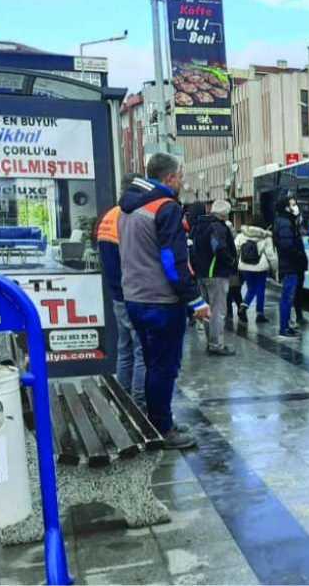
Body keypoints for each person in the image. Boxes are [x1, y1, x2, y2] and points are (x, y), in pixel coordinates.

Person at [119, 153, 208, 449]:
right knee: (164, 367)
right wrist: (195, 301)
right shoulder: (166, 207)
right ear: (170, 177)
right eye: (181, 176)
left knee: (152, 362)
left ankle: (157, 418)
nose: (182, 182)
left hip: (135, 298)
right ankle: (162, 428)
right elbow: (172, 261)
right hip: (161, 302)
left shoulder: (128, 208)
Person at [95, 173, 145, 409]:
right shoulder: (127, 217)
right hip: (132, 294)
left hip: (117, 294)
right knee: (142, 352)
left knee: (124, 349)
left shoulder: (109, 216)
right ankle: (140, 405)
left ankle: (123, 399)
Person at [190, 199, 237, 356]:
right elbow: (219, 248)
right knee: (218, 310)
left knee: (207, 310)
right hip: (215, 274)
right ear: (224, 214)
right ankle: (216, 344)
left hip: (201, 274)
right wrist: (230, 261)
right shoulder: (217, 228)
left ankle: (211, 342)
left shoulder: (198, 226)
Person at [274, 195, 307, 338]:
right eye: (291, 205)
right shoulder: (285, 222)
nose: (294, 207)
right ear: (285, 207)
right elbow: (287, 245)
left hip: (289, 264)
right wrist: (298, 254)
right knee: (287, 297)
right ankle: (284, 328)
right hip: (290, 265)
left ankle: (286, 325)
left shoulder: (285, 221)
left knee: (288, 296)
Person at [235, 214, 278, 323]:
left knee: (251, 288)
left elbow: (235, 249)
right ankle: (259, 313)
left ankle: (243, 307)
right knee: (260, 289)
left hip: (244, 266)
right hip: (260, 267)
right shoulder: (266, 237)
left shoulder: (241, 235)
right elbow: (271, 255)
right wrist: (275, 268)